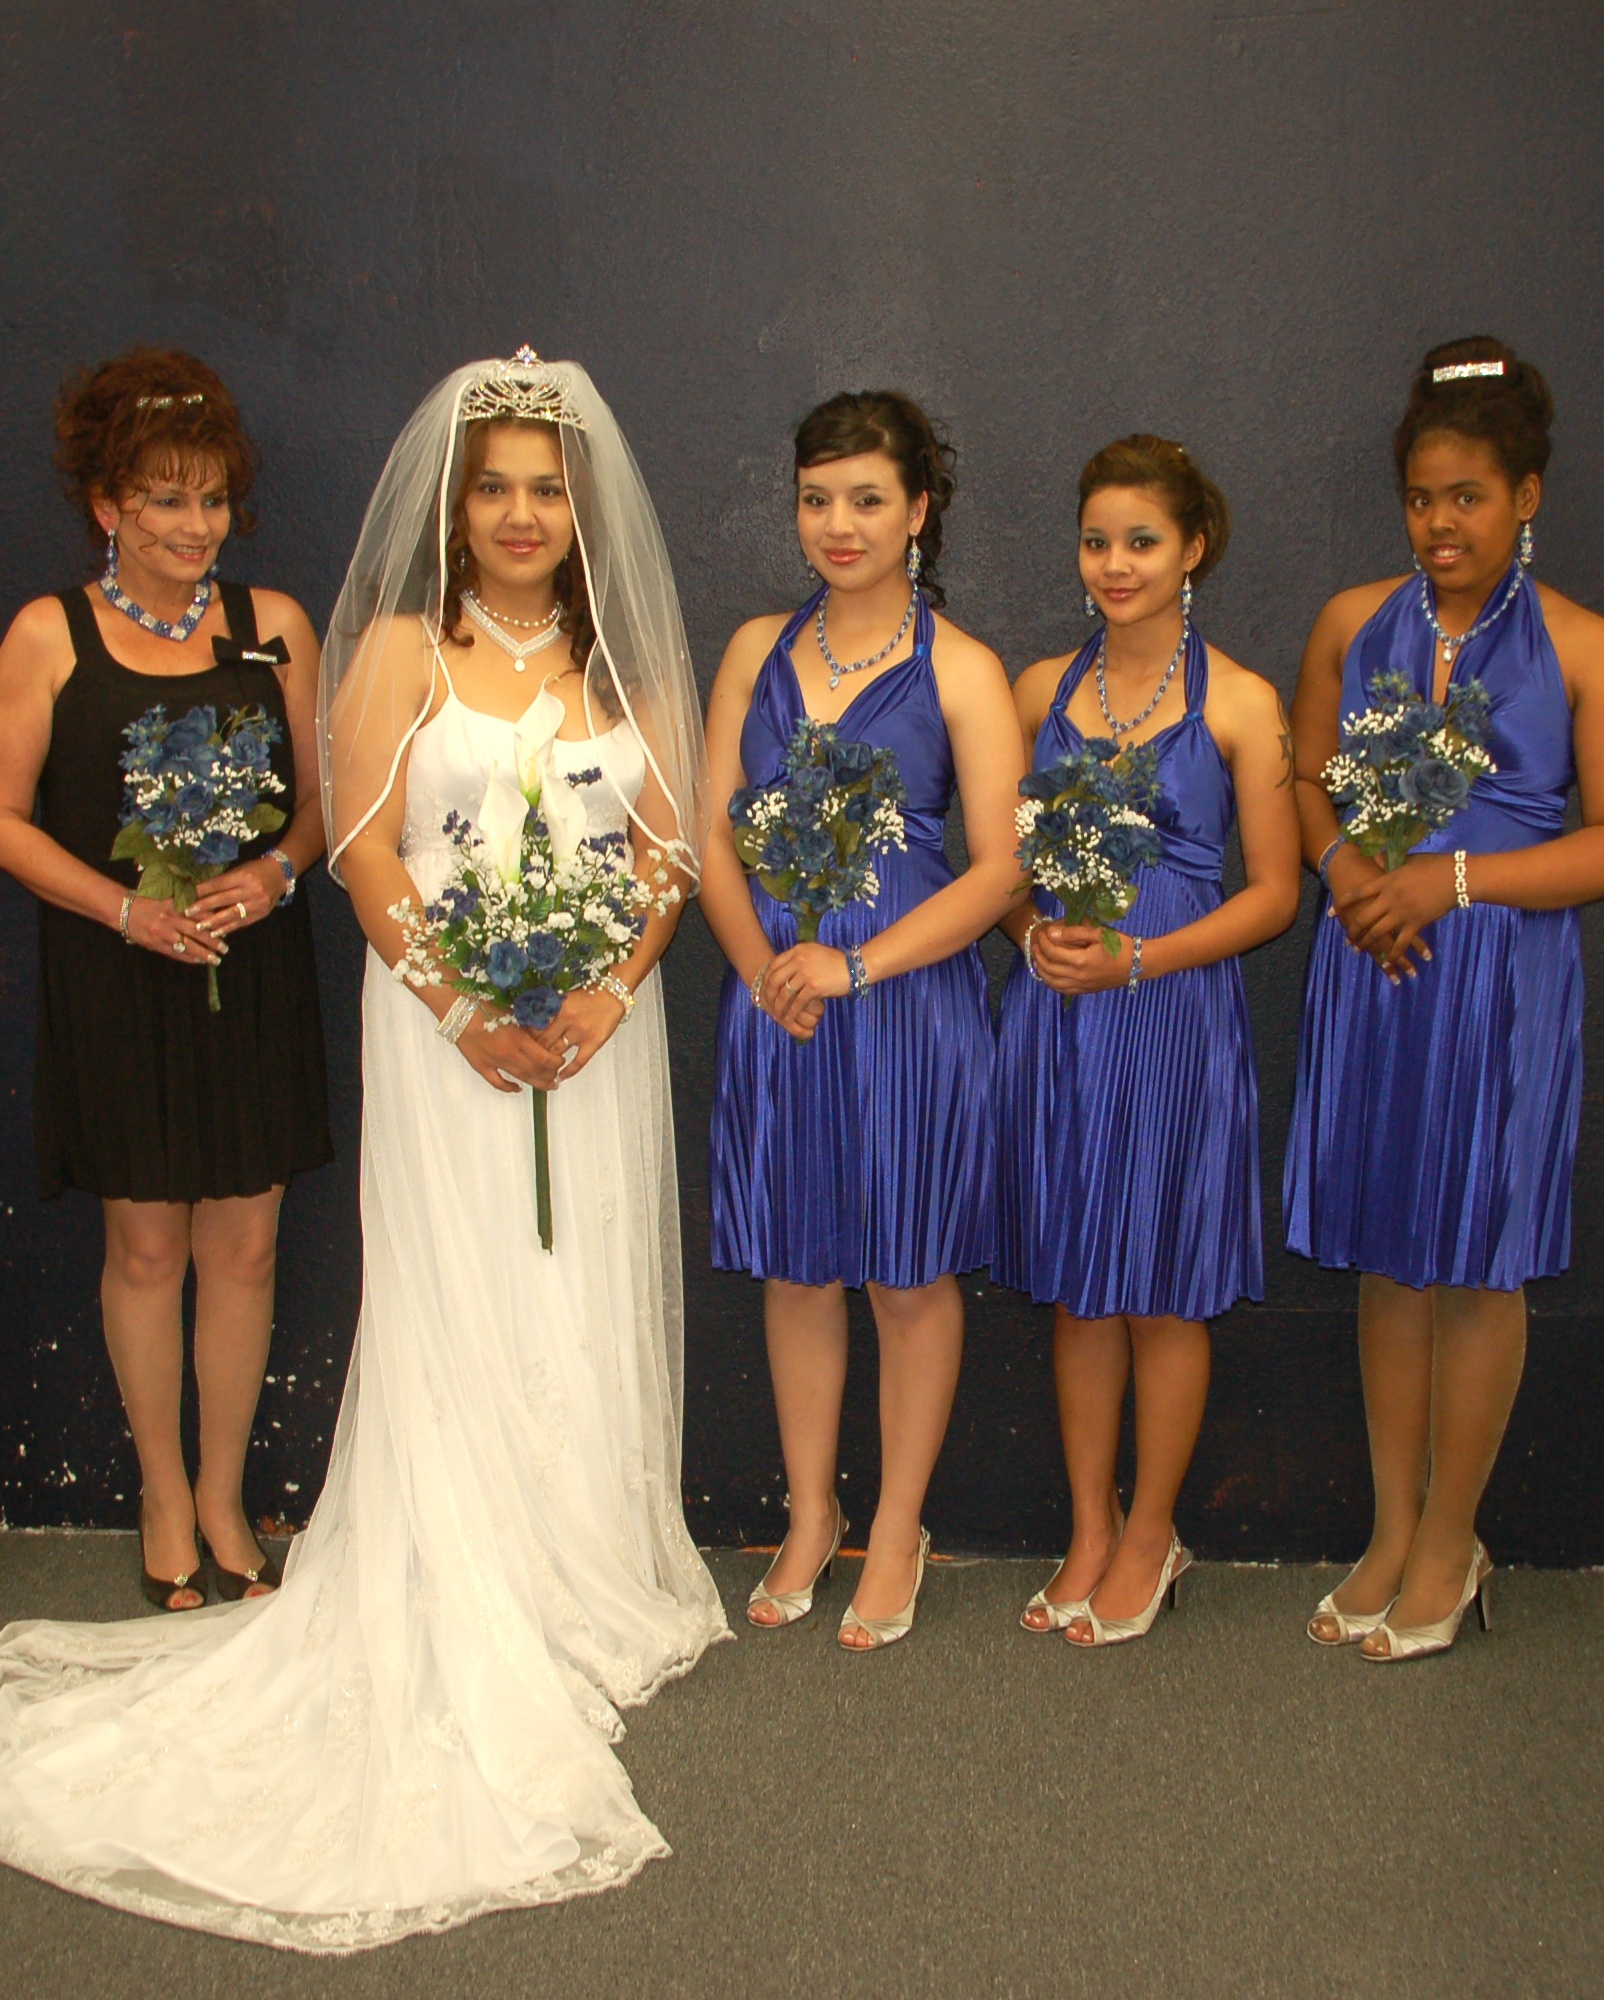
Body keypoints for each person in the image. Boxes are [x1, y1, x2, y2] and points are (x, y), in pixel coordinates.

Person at [0, 348, 727, 1948]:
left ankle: (579, 1553)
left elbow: (669, 854)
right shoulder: (399, 646)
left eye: (549, 491)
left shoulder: (624, 660)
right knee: (453, 1298)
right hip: (443, 1032)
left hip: (594, 1040)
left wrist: (603, 987)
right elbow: (368, 848)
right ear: (455, 509)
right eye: (496, 488)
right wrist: (462, 1002)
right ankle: (434, 1552)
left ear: (581, 510)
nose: (523, 515)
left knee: (577, 1288)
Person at [1285, 336, 1604, 1661]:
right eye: (1420, 498)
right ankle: (1390, 1525)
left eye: (1466, 496)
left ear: (1525, 496)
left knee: (1476, 1262)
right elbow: (1306, 784)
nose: (1438, 523)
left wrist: (1451, 879)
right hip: (1374, 967)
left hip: (1499, 983)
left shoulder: (1579, 645)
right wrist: (1349, 872)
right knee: (1387, 1255)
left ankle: (1450, 1539)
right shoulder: (1352, 623)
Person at [0, 348, 329, 1611]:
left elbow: (324, 805)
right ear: (107, 505)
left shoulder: (275, 624)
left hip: (250, 971)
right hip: (117, 974)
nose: (197, 527)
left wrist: (277, 872)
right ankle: (159, 1492)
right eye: (167, 501)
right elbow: (9, 818)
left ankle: (225, 1494)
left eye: (214, 500)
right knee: (145, 1250)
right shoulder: (49, 634)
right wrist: (125, 909)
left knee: (244, 1246)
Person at [702, 391, 1024, 1649]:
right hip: (776, 1005)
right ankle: (809, 1511)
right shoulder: (752, 650)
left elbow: (999, 869)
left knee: (906, 1271)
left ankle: (896, 1526)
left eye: (867, 499)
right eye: (816, 498)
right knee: (795, 1265)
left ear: (917, 511)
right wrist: (764, 971)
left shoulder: (962, 668)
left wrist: (855, 965)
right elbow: (709, 835)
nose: (838, 524)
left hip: (907, 1005)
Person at [995, 436, 1299, 1647]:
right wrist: (1029, 932)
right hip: (1059, 1017)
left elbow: (1273, 893)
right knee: (1080, 1285)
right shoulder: (1035, 691)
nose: (1114, 563)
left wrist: (1139, 957)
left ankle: (1152, 1530)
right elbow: (998, 868)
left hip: (1171, 1013)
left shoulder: (1241, 702)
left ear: (1192, 550)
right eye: (1095, 540)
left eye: (1140, 540)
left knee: (1162, 1287)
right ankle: (1089, 1523)